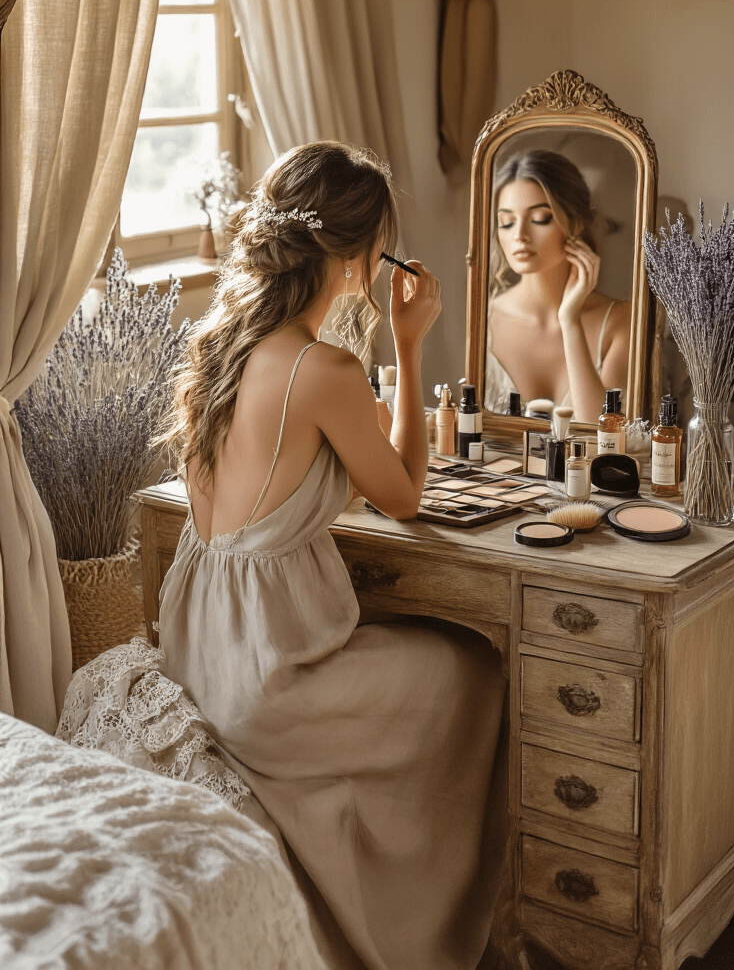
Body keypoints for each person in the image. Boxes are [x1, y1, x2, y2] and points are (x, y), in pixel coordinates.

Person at [155, 141, 506, 970]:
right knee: (475, 670)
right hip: (275, 677)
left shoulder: (218, 346)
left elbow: (274, 489)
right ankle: (429, 930)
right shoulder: (326, 368)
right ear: (356, 259)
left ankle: (362, 898)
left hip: (204, 653)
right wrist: (414, 345)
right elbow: (407, 494)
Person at [485, 148, 630, 422]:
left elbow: (600, 437)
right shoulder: (486, 320)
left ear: (575, 223)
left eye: (539, 218)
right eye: (506, 222)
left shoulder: (620, 320)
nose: (520, 236)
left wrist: (570, 320)